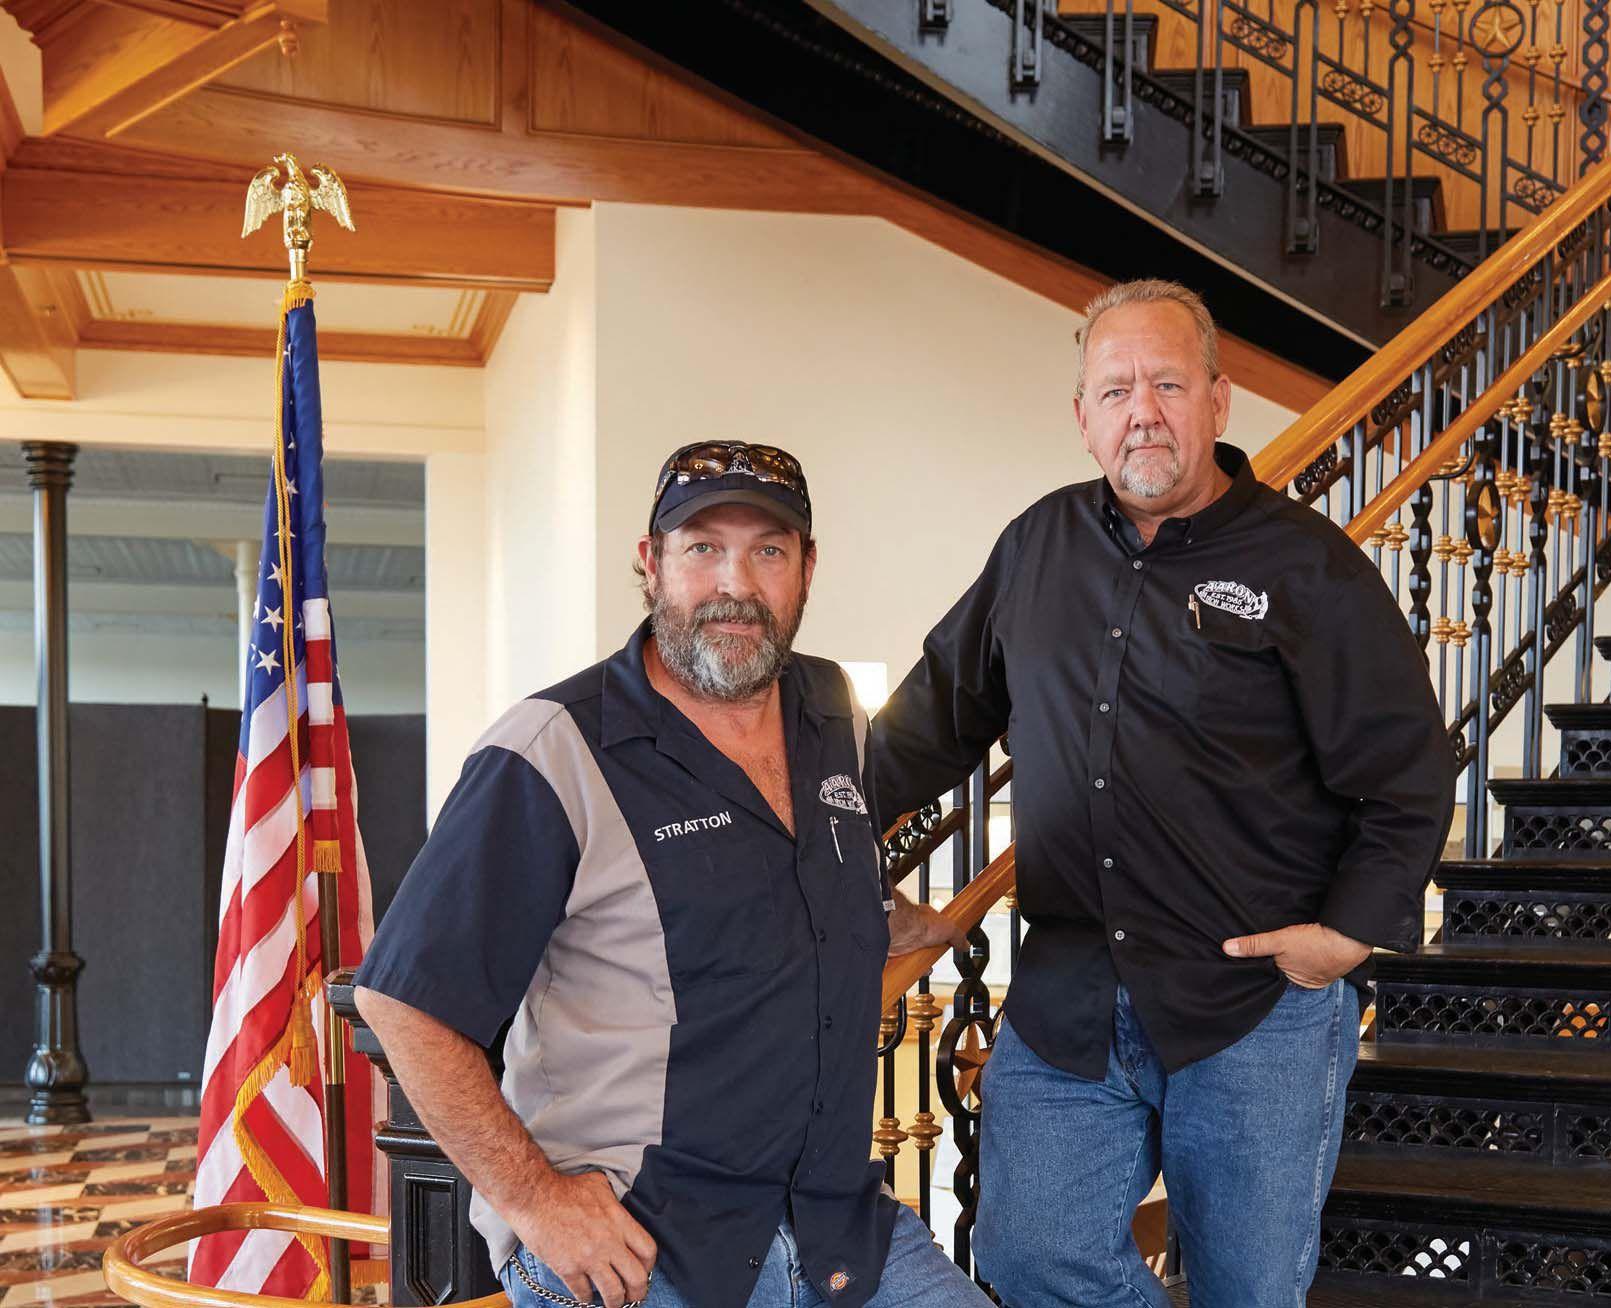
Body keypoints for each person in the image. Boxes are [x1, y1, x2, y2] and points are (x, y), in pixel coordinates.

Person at [868, 280, 1457, 1307]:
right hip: (1067, 994)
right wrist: (812, 838)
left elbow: (1405, 769)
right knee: (1027, 1253)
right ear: (1082, 416)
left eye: (1168, 384)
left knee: (1247, 1289)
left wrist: (1346, 935)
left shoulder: (1308, 567)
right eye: (1115, 390)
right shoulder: (1036, 546)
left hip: (1254, 1004)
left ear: (1218, 401)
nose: (1141, 411)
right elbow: (927, 723)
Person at [355, 441, 979, 1308]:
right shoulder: (551, 749)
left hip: (836, 1227)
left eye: (768, 551)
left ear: (807, 569)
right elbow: (404, 1001)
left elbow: (811, 876)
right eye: (702, 548)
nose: (735, 584)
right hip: (642, 1241)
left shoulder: (834, 709)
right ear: (650, 564)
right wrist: (535, 1203)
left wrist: (912, 920)